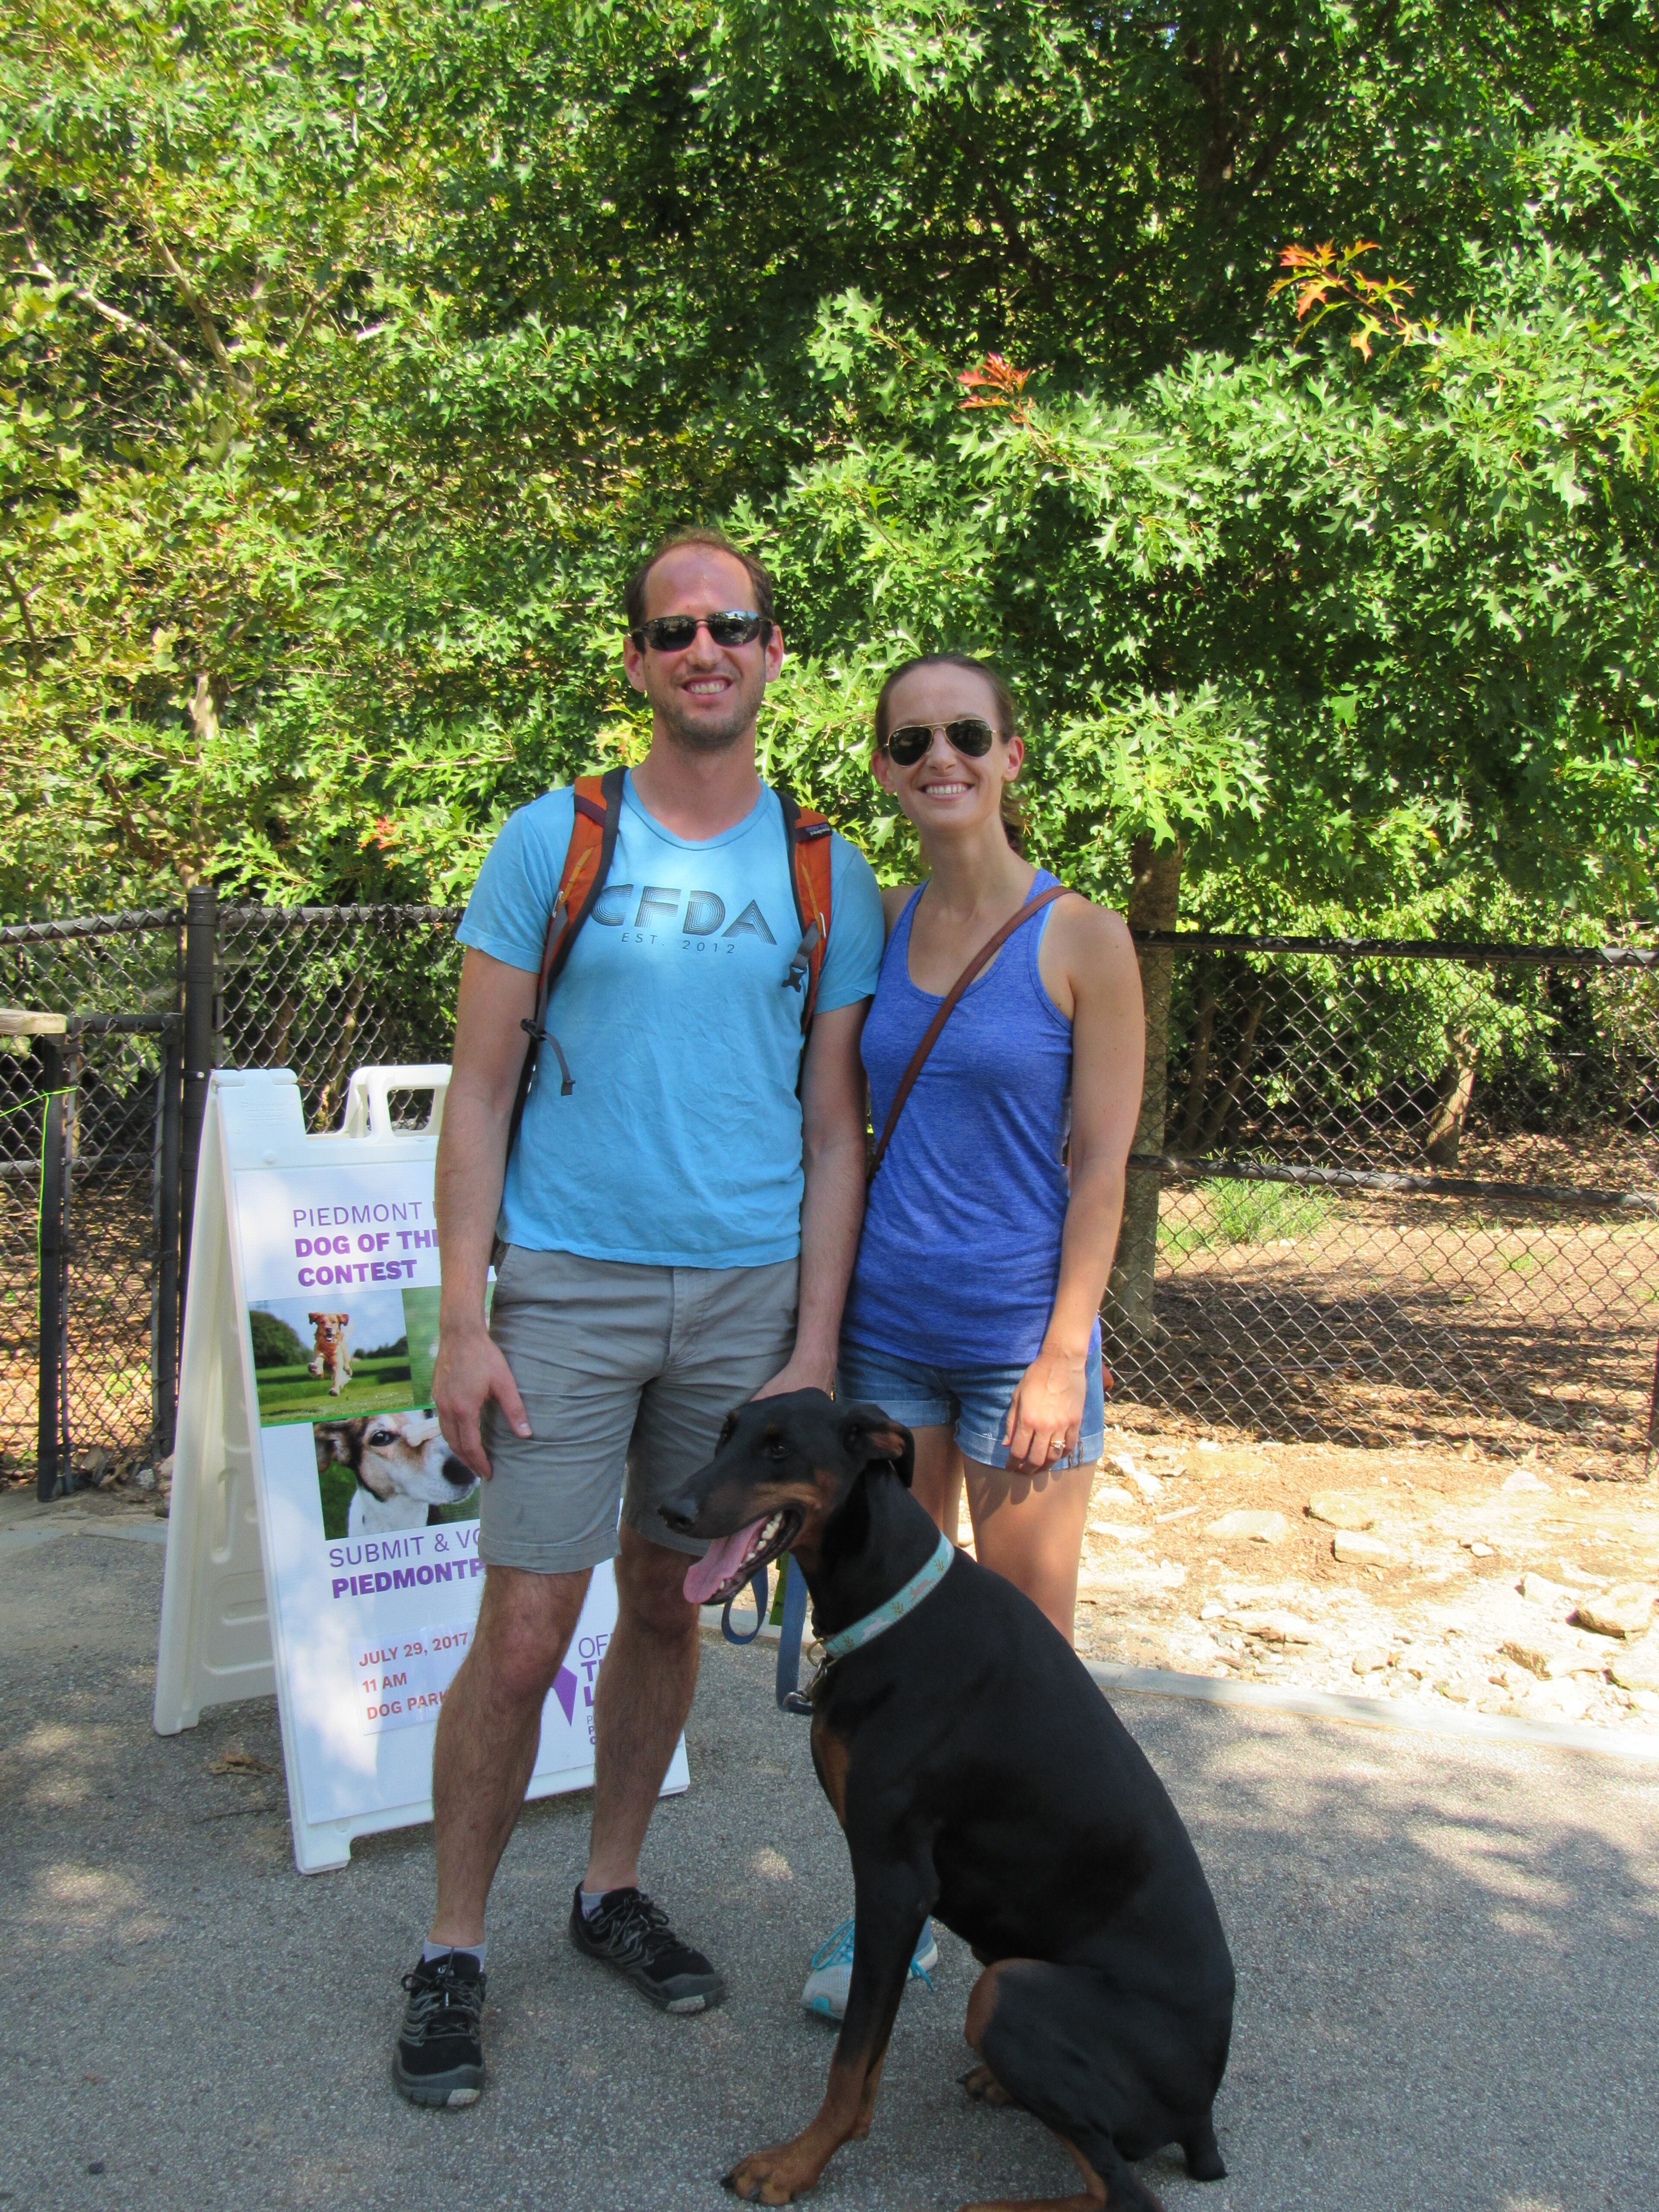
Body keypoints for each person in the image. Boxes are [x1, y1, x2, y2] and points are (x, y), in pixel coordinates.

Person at [394, 528, 884, 2107]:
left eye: (731, 625)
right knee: (525, 1631)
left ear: (773, 651)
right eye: (673, 629)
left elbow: (831, 1127)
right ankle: (453, 1949)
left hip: (745, 1305)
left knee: (666, 1610)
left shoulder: (826, 869)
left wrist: (812, 1347)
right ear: (636, 661)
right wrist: (461, 1318)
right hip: (567, 1285)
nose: (704, 650)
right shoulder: (553, 840)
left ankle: (608, 1889)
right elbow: (476, 1094)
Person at [800, 651, 1145, 2021]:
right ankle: (886, 1916)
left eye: (964, 734)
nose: (937, 757)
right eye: (909, 741)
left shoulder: (1085, 938)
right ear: (886, 771)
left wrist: (1065, 1352)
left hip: (1016, 1344)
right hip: (888, 1333)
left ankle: (1036, 1929)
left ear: (1011, 754)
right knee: (883, 1647)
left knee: (1022, 1655)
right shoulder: (874, 925)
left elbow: (1104, 1167)